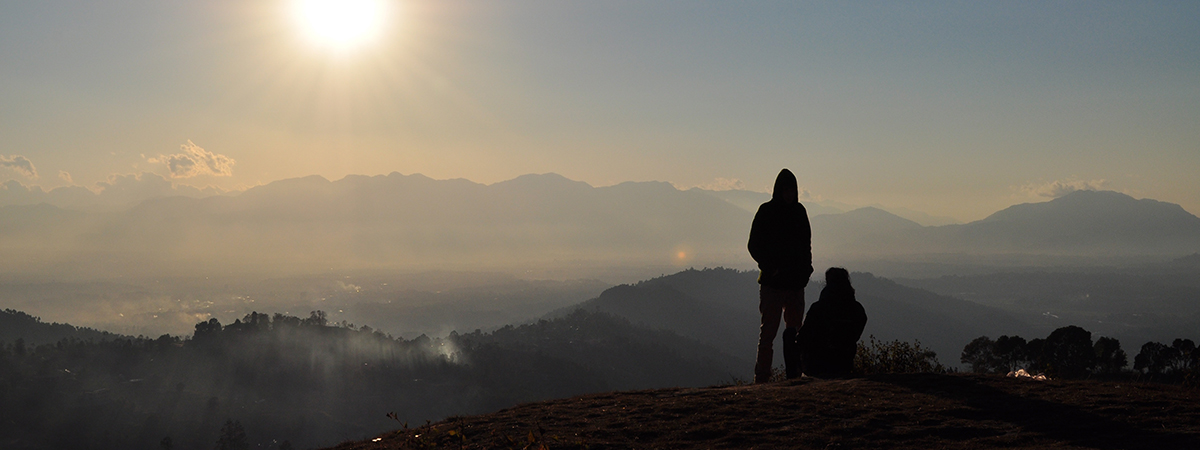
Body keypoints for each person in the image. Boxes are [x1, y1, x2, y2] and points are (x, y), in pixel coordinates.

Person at [748, 168, 813, 383]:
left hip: (794, 283)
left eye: (792, 190)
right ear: (779, 190)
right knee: (768, 334)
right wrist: (770, 268)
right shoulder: (766, 212)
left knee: (795, 333)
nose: (789, 194)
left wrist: (806, 271)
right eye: (786, 190)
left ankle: (794, 375)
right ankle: (762, 378)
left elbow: (806, 246)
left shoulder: (799, 212)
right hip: (773, 284)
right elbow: (753, 245)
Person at [798, 267, 867, 378]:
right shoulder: (857, 310)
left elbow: (803, 337)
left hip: (815, 365)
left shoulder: (818, 308)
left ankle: (793, 377)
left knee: (789, 335)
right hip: (844, 364)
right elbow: (855, 336)